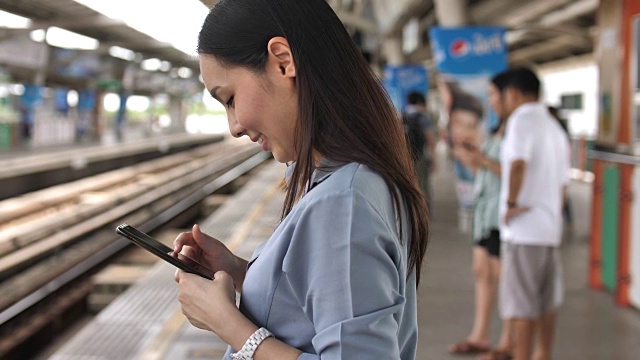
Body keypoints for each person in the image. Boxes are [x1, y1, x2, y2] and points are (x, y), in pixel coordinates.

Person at [171, 1, 430, 359]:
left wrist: (228, 324)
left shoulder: (343, 203)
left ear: (282, 61)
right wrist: (241, 272)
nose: (234, 126)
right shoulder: (343, 178)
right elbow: (322, 307)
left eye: (229, 99)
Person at [498, 67, 570, 360]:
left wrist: (511, 203)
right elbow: (563, 185)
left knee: (522, 307)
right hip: (549, 229)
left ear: (512, 93)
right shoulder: (554, 127)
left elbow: (517, 164)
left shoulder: (520, 121)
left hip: (524, 229)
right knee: (546, 302)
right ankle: (544, 355)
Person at [449, 73, 513, 360]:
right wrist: (474, 160)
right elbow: (489, 174)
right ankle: (481, 335)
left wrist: (482, 160)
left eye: (495, 95)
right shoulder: (499, 129)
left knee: (504, 278)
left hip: (503, 215)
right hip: (486, 212)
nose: (492, 101)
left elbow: (514, 172)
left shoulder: (518, 130)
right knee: (482, 271)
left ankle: (508, 342)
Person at [403, 91, 437, 211]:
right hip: (420, 157)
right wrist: (433, 159)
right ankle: (424, 212)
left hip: (405, 158)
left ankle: (411, 211)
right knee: (422, 185)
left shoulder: (401, 115)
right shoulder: (423, 117)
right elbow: (430, 140)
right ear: (420, 102)